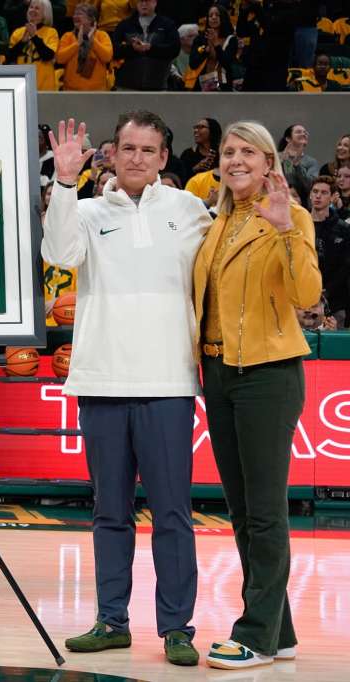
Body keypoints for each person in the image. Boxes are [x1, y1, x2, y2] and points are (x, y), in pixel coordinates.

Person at [43, 113, 212, 666]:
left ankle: (177, 628)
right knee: (109, 512)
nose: (137, 157)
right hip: (102, 379)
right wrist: (64, 182)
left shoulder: (190, 209)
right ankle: (111, 620)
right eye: (128, 148)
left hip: (168, 381)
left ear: (164, 157)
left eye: (148, 149)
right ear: (112, 154)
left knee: (173, 514)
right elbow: (59, 254)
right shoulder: (87, 211)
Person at [193, 120, 321, 670]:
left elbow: (307, 295)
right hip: (219, 372)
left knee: (265, 512)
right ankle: (279, 630)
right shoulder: (216, 222)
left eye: (249, 151)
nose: (236, 160)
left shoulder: (291, 216)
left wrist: (287, 231)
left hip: (268, 373)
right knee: (243, 511)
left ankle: (256, 635)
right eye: (229, 151)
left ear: (270, 162)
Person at [112, 0, 180, 91]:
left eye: (147, 1)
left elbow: (175, 49)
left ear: (155, 2)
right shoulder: (124, 25)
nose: (144, 4)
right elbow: (113, 50)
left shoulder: (167, 24)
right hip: (126, 86)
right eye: (141, 1)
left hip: (157, 86)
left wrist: (151, 48)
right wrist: (132, 48)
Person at [308, 176, 350, 321]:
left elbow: (346, 266)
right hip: (302, 301)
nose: (318, 196)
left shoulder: (344, 229)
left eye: (324, 192)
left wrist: (328, 291)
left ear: (332, 197)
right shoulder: (299, 226)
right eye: (315, 191)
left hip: (335, 303)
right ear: (310, 194)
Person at [56, 3, 112, 91]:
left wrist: (92, 41)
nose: (75, 16)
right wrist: (77, 44)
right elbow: (59, 59)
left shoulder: (102, 35)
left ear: (91, 19)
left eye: (79, 13)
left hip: (97, 91)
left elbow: (107, 57)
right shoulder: (67, 36)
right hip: (71, 90)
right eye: (75, 13)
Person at [7, 0, 59, 91]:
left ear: (45, 13)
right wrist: (22, 42)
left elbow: (48, 56)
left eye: (37, 8)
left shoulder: (51, 32)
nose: (33, 10)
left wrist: (34, 37)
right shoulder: (18, 32)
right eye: (31, 7)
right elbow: (9, 58)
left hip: (44, 87)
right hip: (22, 87)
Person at [280, 123, 320, 206]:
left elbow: (310, 186)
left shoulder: (311, 162)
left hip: (303, 206)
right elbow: (288, 180)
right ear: (288, 138)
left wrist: (297, 165)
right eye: (298, 132)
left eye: (305, 132)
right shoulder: (277, 157)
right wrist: (285, 161)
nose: (303, 134)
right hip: (279, 203)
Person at [179, 117, 221, 184]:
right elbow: (181, 180)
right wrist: (195, 169)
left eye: (201, 127)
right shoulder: (187, 155)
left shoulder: (222, 154)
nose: (196, 130)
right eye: (195, 127)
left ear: (212, 131)